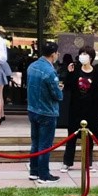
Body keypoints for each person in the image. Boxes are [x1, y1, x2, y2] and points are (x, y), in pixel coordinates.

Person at [60, 45, 98, 173]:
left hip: (91, 110)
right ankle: (67, 162)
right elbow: (67, 87)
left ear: (91, 57)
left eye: (85, 54)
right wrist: (69, 73)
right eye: (81, 53)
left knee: (89, 139)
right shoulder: (75, 71)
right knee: (72, 137)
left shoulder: (97, 73)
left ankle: (88, 163)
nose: (82, 56)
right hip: (76, 109)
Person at [27, 42, 63, 184]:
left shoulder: (32, 66)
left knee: (35, 142)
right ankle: (44, 175)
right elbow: (57, 95)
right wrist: (60, 89)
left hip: (32, 109)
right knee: (45, 145)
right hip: (47, 111)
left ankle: (34, 171)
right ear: (53, 54)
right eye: (57, 53)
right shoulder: (49, 71)